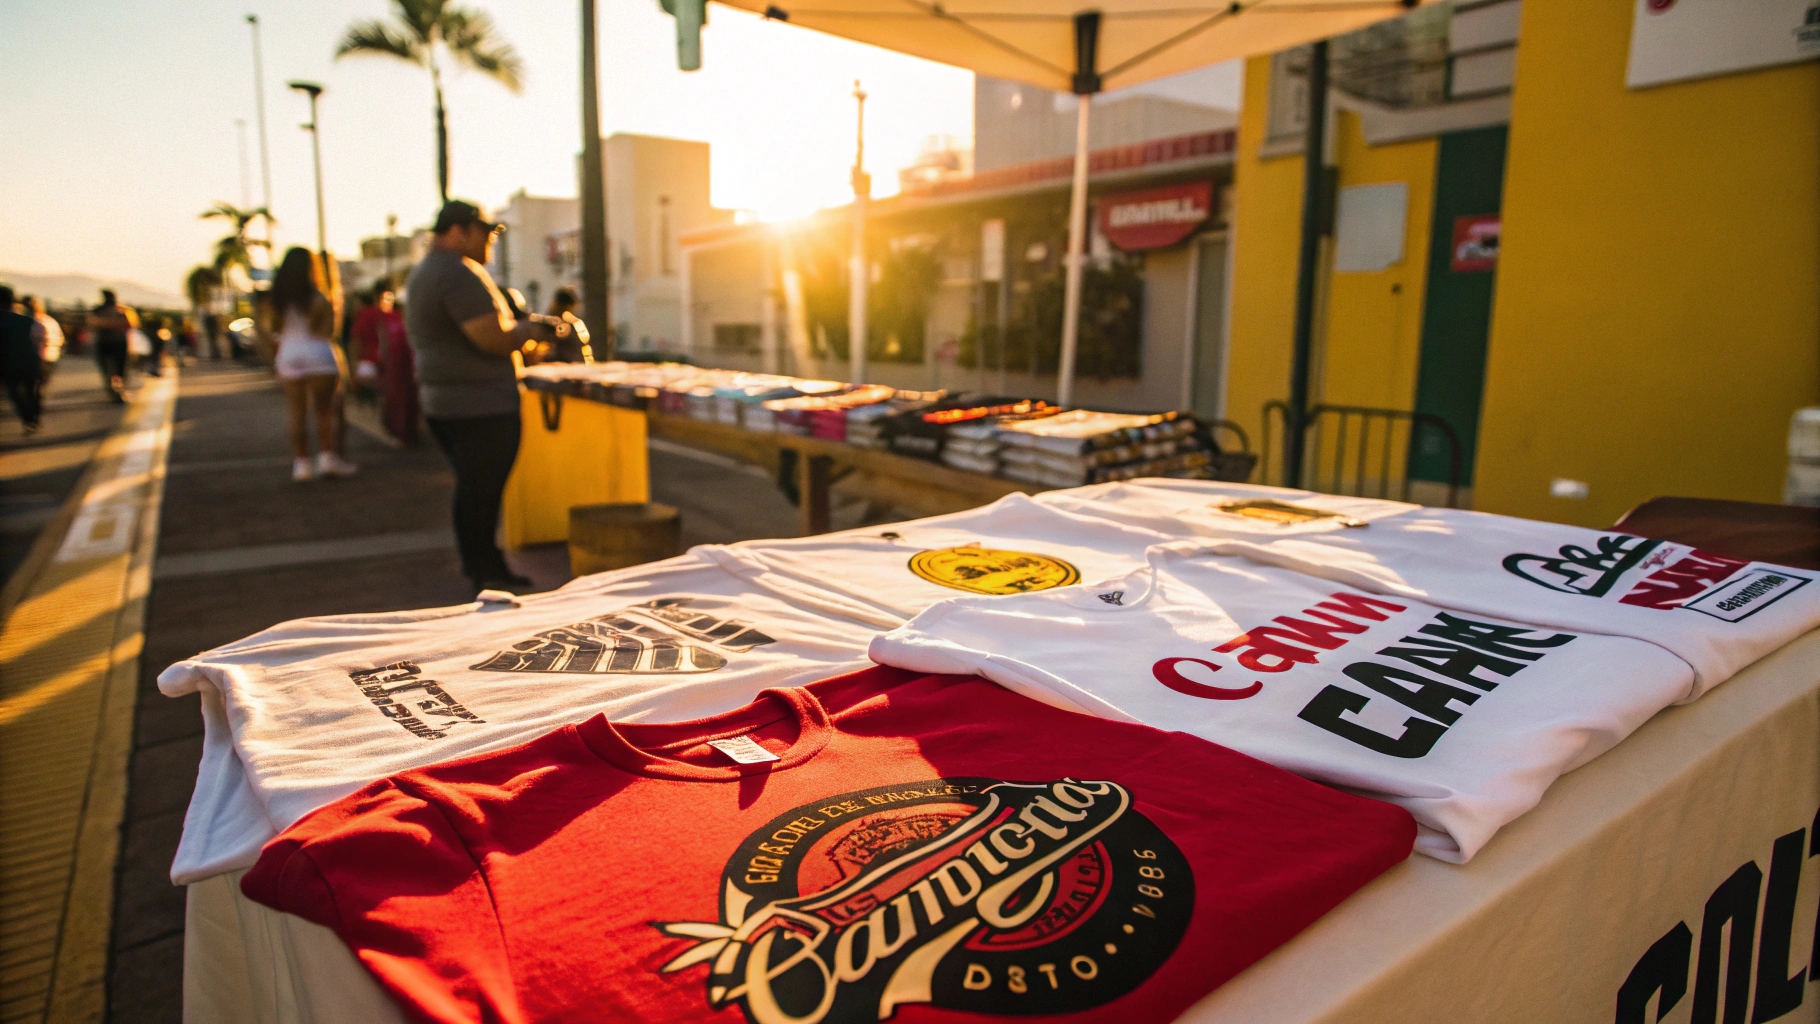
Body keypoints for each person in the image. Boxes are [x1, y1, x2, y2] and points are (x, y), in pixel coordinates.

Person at [406, 200, 562, 594]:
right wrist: (531, 331)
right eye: (487, 233)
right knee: (482, 492)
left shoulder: (427, 271)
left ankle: (481, 565)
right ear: (460, 231)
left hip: (449, 403)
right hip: (479, 408)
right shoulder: (456, 274)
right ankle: (487, 572)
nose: (492, 242)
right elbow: (491, 338)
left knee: (472, 489)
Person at [262, 247, 358, 482]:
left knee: (296, 411)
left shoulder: (277, 298)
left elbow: (272, 330)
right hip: (319, 355)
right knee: (324, 411)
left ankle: (301, 465)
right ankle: (327, 459)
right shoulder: (318, 297)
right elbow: (329, 331)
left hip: (290, 354)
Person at [0, 286, 44, 433]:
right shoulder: (28, 321)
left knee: (15, 393)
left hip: (8, 364)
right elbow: (39, 340)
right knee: (32, 392)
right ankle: (34, 418)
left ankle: (27, 419)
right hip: (31, 362)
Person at [88, 288, 137, 402]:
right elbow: (130, 324)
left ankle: (116, 390)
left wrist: (105, 324)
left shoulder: (99, 311)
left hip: (107, 343)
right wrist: (116, 324)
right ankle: (117, 390)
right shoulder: (123, 310)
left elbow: (92, 323)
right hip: (116, 342)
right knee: (118, 369)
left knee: (112, 369)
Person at [24, 296, 63, 381]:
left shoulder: (38, 323)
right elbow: (61, 339)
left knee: (33, 385)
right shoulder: (51, 321)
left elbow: (40, 340)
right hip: (51, 356)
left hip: (41, 357)